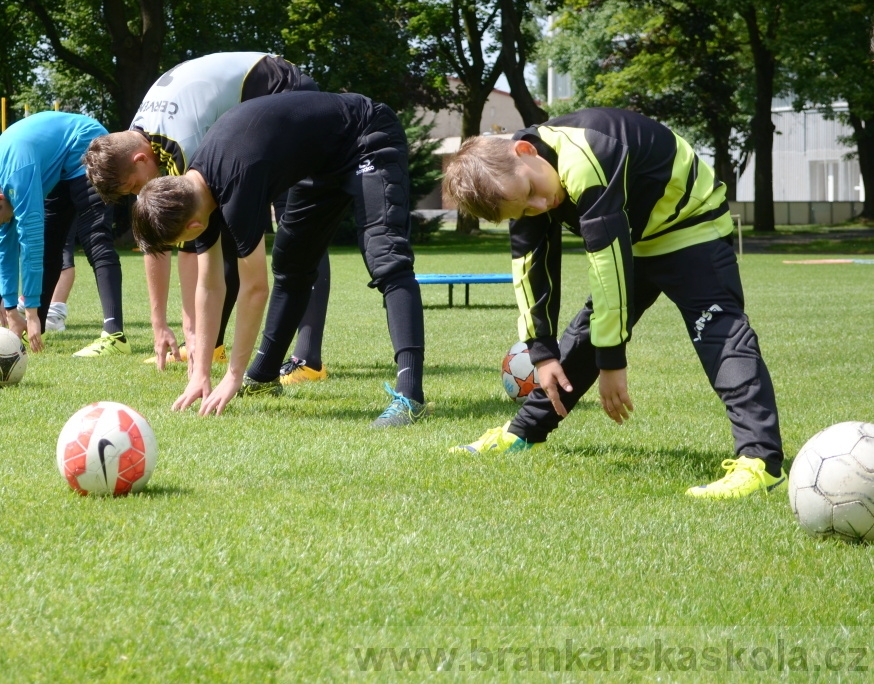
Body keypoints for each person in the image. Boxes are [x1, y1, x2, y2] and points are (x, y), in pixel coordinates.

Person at [443, 107, 785, 500]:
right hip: (632, 237)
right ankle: (522, 434)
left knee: (721, 335)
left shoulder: (584, 156)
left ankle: (762, 464)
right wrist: (541, 351)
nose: (539, 207)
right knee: (581, 339)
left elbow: (608, 264)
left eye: (531, 195)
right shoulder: (517, 184)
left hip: (689, 227)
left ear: (525, 150)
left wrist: (612, 361)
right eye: (523, 210)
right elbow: (529, 267)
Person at [131, 90, 427, 427]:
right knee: (292, 263)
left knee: (386, 257)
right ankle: (263, 377)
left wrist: (232, 374)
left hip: (366, 133)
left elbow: (255, 289)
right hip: (321, 161)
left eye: (180, 241)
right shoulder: (195, 187)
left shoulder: (234, 187)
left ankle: (410, 395)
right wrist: (200, 373)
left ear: (192, 225)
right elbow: (209, 285)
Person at [83, 51, 331, 381]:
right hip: (249, 108)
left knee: (299, 228)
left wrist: (188, 330)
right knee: (220, 231)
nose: (137, 195)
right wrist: (159, 325)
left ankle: (308, 359)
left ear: (141, 159)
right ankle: (209, 345)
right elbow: (156, 239)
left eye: (132, 187)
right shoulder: (133, 141)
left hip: (285, 91)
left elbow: (190, 242)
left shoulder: (178, 144)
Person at [0, 111, 128, 357]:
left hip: (86, 145)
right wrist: (11, 309)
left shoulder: (18, 177)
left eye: (5, 218)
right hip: (59, 166)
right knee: (51, 249)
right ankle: (35, 330)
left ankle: (115, 335)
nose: (7, 222)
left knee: (95, 239)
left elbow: (30, 244)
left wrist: (31, 312)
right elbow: (3, 249)